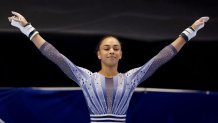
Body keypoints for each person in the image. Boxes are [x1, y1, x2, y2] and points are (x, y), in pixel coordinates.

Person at [8, 11, 209, 123]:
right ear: (99, 54)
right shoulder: (85, 77)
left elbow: (161, 57)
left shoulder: (131, 78)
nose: (111, 51)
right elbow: (55, 55)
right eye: (106, 48)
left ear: (121, 54)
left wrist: (189, 32)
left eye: (115, 48)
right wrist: (27, 28)